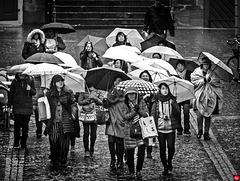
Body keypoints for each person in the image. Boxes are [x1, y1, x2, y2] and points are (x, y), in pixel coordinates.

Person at [43, 74, 78, 166]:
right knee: (54, 140)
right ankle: (55, 157)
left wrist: (74, 113)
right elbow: (43, 103)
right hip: (54, 121)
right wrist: (43, 93)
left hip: (65, 120)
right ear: (54, 83)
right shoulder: (49, 94)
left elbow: (73, 103)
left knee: (64, 141)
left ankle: (63, 158)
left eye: (62, 81)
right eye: (58, 81)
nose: (61, 83)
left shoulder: (68, 92)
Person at [151, 83, 180, 176]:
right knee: (162, 148)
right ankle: (165, 166)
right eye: (163, 88)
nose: (165, 90)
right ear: (160, 90)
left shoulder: (172, 100)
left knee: (171, 147)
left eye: (166, 88)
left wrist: (174, 104)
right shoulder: (156, 101)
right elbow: (153, 114)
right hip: (160, 128)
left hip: (170, 128)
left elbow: (178, 113)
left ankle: (169, 160)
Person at [191, 57, 223, 140]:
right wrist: (203, 80)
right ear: (202, 65)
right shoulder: (196, 72)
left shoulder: (213, 73)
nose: (206, 66)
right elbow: (194, 83)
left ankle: (206, 133)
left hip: (210, 96)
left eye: (207, 64)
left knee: (208, 114)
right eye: (204, 64)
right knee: (199, 114)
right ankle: (200, 130)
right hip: (200, 96)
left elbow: (217, 82)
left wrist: (210, 80)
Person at [122, 87, 149, 179]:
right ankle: (131, 171)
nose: (132, 95)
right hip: (129, 130)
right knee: (130, 152)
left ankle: (138, 170)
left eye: (133, 93)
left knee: (141, 151)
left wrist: (139, 110)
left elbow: (146, 114)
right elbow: (125, 116)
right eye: (129, 94)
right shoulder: (125, 104)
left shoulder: (141, 102)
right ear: (127, 95)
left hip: (141, 129)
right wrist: (134, 111)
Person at [8, 72, 36, 149]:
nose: (21, 75)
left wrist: (30, 89)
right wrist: (9, 105)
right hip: (17, 106)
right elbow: (11, 94)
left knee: (25, 125)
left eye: (22, 74)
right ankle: (16, 141)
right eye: (20, 74)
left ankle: (23, 142)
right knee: (17, 124)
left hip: (27, 107)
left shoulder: (30, 81)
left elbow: (34, 93)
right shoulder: (15, 81)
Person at [103, 75, 125, 170]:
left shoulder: (125, 94)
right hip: (111, 119)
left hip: (121, 120)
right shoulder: (110, 93)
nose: (118, 83)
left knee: (120, 142)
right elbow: (106, 105)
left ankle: (120, 160)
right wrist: (105, 101)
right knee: (111, 141)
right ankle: (113, 159)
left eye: (120, 81)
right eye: (116, 81)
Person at [78, 85, 102, 158]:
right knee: (86, 133)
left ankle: (92, 148)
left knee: (93, 133)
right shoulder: (84, 91)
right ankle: (86, 150)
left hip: (94, 114)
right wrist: (88, 100)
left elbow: (101, 102)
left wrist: (95, 98)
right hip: (86, 114)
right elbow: (79, 101)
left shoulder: (98, 91)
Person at [139, 70, 155, 159]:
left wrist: (150, 96)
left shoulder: (152, 88)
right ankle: (141, 148)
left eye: (146, 76)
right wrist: (142, 98)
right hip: (141, 113)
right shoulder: (138, 88)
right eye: (143, 76)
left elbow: (155, 99)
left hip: (150, 112)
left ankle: (149, 151)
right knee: (141, 132)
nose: (145, 77)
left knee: (150, 132)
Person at [175, 60, 192, 135]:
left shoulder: (189, 74)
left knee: (186, 111)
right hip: (177, 95)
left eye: (181, 65)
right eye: (178, 65)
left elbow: (191, 85)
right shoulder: (174, 74)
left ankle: (186, 128)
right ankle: (179, 128)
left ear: (184, 66)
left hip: (186, 96)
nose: (180, 67)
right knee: (177, 112)